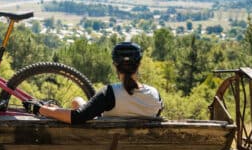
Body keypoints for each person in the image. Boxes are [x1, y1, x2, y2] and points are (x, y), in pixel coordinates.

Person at [23, 42, 163, 124]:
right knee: (79, 102)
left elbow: (77, 117)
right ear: (139, 64)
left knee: (77, 101)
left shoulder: (110, 93)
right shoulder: (155, 96)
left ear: (115, 64)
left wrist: (38, 108)